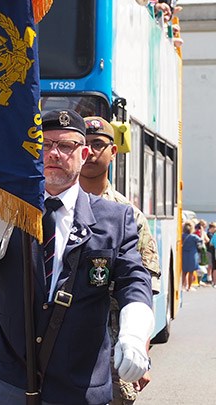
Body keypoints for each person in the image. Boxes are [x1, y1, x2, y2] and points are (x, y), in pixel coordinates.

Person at [0, 109, 153, 405]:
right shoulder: (6, 209)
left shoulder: (115, 218)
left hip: (79, 380)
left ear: (84, 153)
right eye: (44, 145)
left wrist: (135, 335)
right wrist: (5, 207)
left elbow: (134, 282)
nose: (54, 154)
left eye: (66, 146)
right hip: (10, 377)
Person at [79, 116, 160, 405]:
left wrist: (141, 348)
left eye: (98, 144)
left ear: (113, 152)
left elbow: (143, 289)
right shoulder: (55, 208)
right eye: (83, 144)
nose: (90, 151)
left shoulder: (128, 215)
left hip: (113, 343)